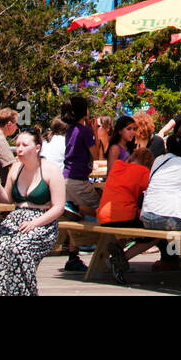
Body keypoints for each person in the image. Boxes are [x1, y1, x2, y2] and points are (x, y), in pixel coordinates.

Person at [0, 129, 66, 295]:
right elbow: (6, 199)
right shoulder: (15, 168)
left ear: (37, 148)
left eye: (24, 145)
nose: (19, 149)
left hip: (42, 223)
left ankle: (23, 292)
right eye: (17, 145)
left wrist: (34, 223)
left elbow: (59, 207)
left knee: (18, 248)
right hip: (16, 219)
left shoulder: (51, 170)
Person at [95, 147, 155, 282]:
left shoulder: (117, 166)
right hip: (123, 216)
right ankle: (122, 258)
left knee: (133, 223)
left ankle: (118, 248)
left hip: (103, 216)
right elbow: (153, 190)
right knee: (155, 233)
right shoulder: (144, 172)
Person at [60, 96, 98, 273]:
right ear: (85, 111)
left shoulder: (70, 129)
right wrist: (95, 133)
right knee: (102, 208)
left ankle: (73, 256)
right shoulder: (85, 131)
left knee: (77, 218)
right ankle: (108, 250)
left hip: (66, 177)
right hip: (78, 180)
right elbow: (96, 154)